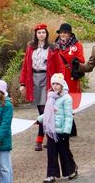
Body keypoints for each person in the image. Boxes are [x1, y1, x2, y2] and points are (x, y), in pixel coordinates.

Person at [20, 23, 64, 151]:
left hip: (48, 79)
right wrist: (22, 83)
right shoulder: (30, 48)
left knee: (46, 110)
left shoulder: (52, 48)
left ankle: (40, 139)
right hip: (34, 79)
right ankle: (49, 135)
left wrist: (60, 82)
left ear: (46, 34)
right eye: (39, 33)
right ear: (35, 34)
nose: (41, 35)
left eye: (43, 32)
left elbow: (60, 66)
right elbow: (25, 66)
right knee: (41, 110)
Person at [37, 74, 78, 182]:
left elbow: (69, 116)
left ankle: (71, 169)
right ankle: (52, 174)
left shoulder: (66, 98)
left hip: (61, 130)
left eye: (57, 84)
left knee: (64, 152)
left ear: (62, 84)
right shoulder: (51, 96)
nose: (55, 86)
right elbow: (48, 112)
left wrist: (66, 131)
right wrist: (39, 119)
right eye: (53, 84)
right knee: (51, 153)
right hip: (51, 130)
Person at [54, 23, 85, 96]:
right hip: (59, 77)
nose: (62, 34)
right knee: (59, 99)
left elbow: (82, 60)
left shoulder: (77, 45)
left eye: (65, 32)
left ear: (70, 34)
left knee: (73, 98)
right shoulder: (55, 45)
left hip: (71, 76)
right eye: (61, 33)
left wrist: (76, 60)